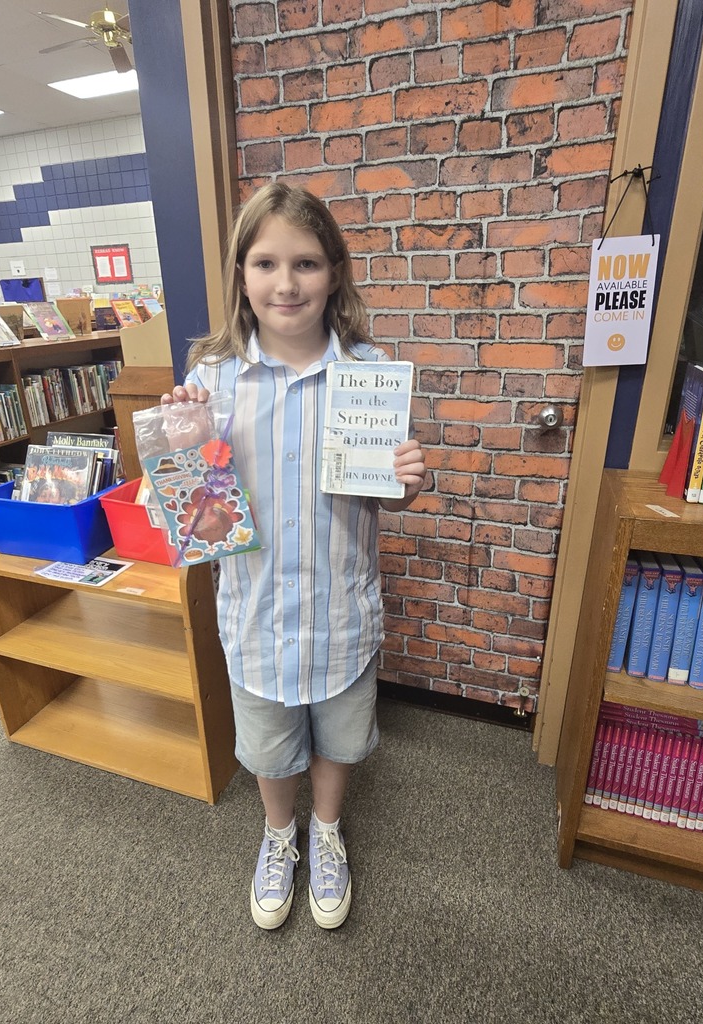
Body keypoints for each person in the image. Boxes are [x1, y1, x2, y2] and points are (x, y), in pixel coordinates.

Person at [161, 182, 427, 930]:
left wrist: (410, 481)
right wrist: (184, 452)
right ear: (241, 275)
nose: (286, 283)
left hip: (339, 610)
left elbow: (388, 499)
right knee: (271, 747)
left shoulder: (367, 373)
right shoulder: (210, 384)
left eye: (306, 263)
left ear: (335, 272)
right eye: (266, 263)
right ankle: (280, 834)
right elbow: (198, 525)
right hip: (255, 613)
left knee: (341, 735)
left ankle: (327, 829)